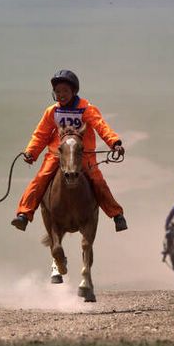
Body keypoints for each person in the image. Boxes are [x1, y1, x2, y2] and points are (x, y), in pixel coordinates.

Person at [12, 70, 127, 232]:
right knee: (40, 178)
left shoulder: (87, 108)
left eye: (65, 91)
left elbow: (101, 126)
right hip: (57, 154)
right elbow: (41, 133)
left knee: (98, 181)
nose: (61, 95)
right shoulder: (52, 111)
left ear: (74, 91)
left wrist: (114, 142)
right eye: (57, 91)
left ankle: (117, 215)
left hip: (83, 154)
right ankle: (24, 214)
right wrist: (31, 152)